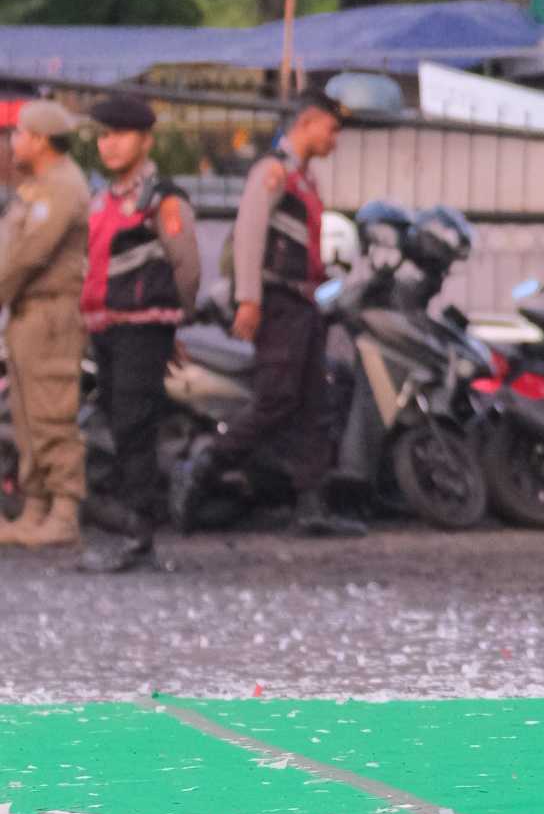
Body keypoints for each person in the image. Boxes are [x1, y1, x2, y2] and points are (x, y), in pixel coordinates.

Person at [184, 89, 360, 537]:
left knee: (313, 405)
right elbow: (249, 234)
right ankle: (205, 466)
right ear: (308, 122)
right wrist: (249, 299)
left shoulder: (303, 178)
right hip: (278, 302)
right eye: (331, 129)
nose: (335, 139)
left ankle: (311, 506)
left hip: (304, 304)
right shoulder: (273, 171)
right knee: (277, 398)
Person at [76, 90, 201, 576]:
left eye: (121, 134)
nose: (109, 144)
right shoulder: (102, 201)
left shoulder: (161, 200)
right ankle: (133, 527)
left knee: (134, 426)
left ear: (146, 140)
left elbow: (186, 265)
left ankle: (140, 535)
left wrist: (173, 322)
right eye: (104, 135)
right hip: (107, 331)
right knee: (119, 424)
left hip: (141, 331)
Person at [0, 101, 91, 552]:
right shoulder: (36, 185)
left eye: (18, 133)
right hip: (26, 313)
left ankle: (64, 513)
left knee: (52, 412)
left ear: (39, 139)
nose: (12, 141)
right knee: (26, 414)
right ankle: (35, 507)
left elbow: (28, 255)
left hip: (51, 314)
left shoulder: (62, 186)